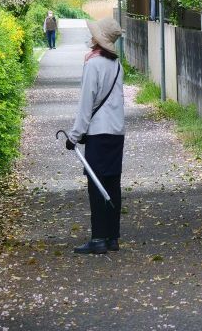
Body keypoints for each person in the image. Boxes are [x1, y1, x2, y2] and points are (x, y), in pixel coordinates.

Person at [67, 17, 124, 255]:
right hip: (116, 132)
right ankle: (112, 237)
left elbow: (86, 103)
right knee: (112, 183)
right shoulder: (117, 65)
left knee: (96, 185)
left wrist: (75, 135)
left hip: (98, 133)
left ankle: (98, 238)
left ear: (99, 39)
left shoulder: (93, 64)